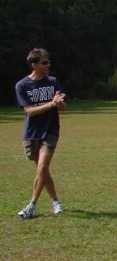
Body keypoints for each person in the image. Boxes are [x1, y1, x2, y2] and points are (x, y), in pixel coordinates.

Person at [14, 48, 66, 219]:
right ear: (33, 64)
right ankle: (56, 202)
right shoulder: (22, 86)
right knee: (42, 170)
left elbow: (62, 108)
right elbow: (29, 111)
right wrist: (51, 104)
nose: (48, 65)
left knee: (42, 167)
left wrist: (59, 103)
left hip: (51, 131)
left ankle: (32, 206)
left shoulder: (53, 82)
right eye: (44, 63)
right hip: (31, 133)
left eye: (48, 61)